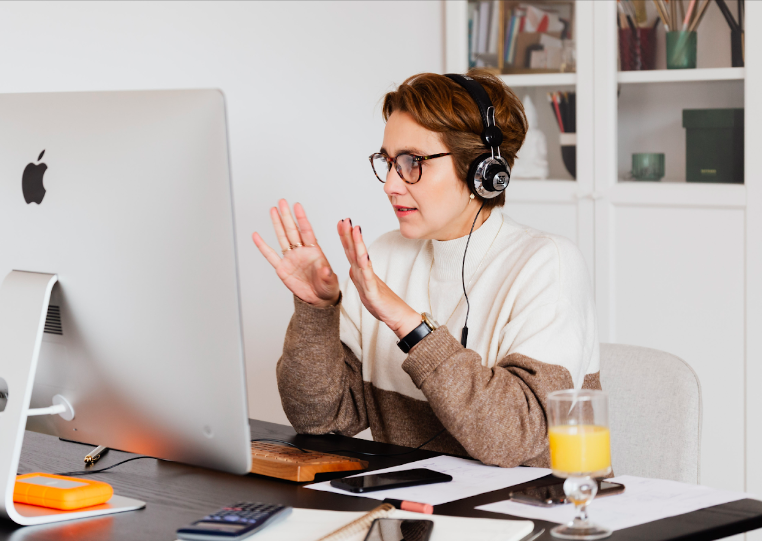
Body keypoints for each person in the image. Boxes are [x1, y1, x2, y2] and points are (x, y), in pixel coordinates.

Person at [251, 70, 600, 468]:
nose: (391, 185)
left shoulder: (547, 264)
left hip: (534, 518)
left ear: (481, 169)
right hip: (416, 518)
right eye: (388, 162)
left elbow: (514, 440)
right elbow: (319, 417)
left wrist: (408, 324)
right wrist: (316, 311)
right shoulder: (382, 256)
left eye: (412, 162)